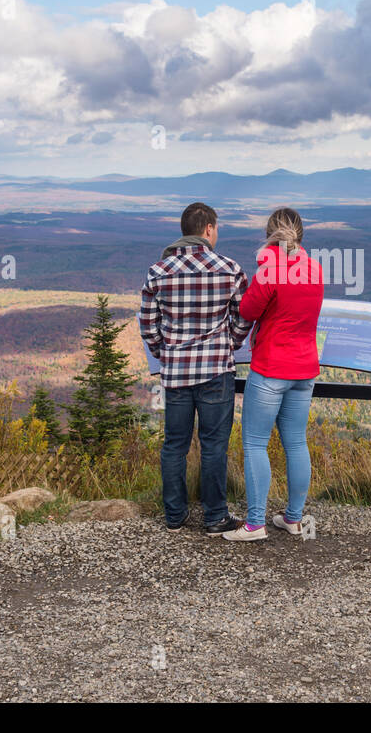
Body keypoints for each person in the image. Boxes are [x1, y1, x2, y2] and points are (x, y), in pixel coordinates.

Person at [139, 202, 251, 535]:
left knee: (175, 444)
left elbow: (147, 323)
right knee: (214, 445)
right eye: (216, 229)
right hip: (216, 369)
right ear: (208, 229)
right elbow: (245, 314)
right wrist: (230, 342)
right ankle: (215, 516)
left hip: (175, 374)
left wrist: (164, 351)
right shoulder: (230, 268)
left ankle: (174, 516)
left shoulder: (159, 271)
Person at [224, 207, 324, 541]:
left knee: (255, 442)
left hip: (271, 368)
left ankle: (254, 524)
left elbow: (248, 310)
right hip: (305, 368)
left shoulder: (270, 272)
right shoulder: (315, 269)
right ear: (301, 235)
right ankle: (293, 518)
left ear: (269, 234)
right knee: (296, 441)